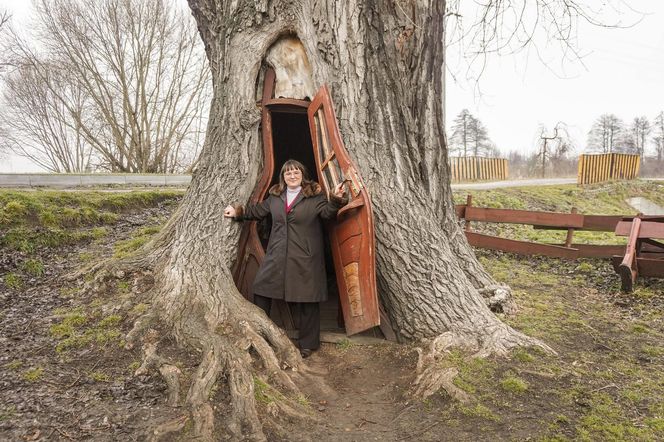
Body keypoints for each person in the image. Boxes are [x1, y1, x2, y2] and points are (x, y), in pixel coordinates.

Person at [224, 159, 346, 358]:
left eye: (296, 172)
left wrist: (336, 199)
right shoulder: (275, 197)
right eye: (288, 173)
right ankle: (262, 336)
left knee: (307, 298)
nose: (292, 176)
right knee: (262, 289)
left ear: (303, 175)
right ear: (283, 177)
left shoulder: (315, 197)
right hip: (278, 254)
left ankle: (308, 344)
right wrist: (238, 212)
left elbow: (328, 213)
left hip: (305, 256)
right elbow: (258, 211)